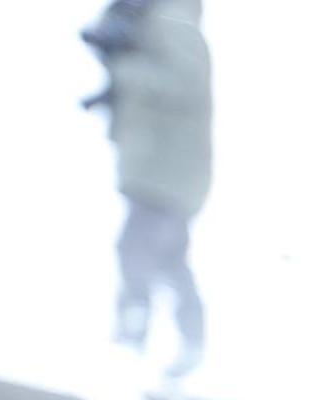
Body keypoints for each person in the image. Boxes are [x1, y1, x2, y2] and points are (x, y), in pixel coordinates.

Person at [82, 0, 213, 378]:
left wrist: (124, 67)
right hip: (164, 170)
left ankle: (133, 337)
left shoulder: (173, 21)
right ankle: (188, 342)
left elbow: (182, 84)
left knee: (137, 249)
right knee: (168, 259)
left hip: (168, 172)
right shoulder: (164, 20)